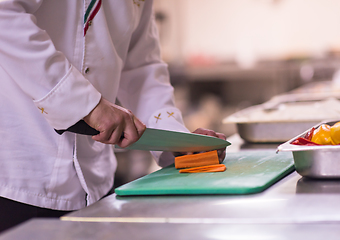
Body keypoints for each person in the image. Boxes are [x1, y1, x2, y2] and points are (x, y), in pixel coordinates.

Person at [0, 0, 227, 232]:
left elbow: (141, 67)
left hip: (95, 184)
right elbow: (4, 14)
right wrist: (86, 104)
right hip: (17, 180)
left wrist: (178, 140)